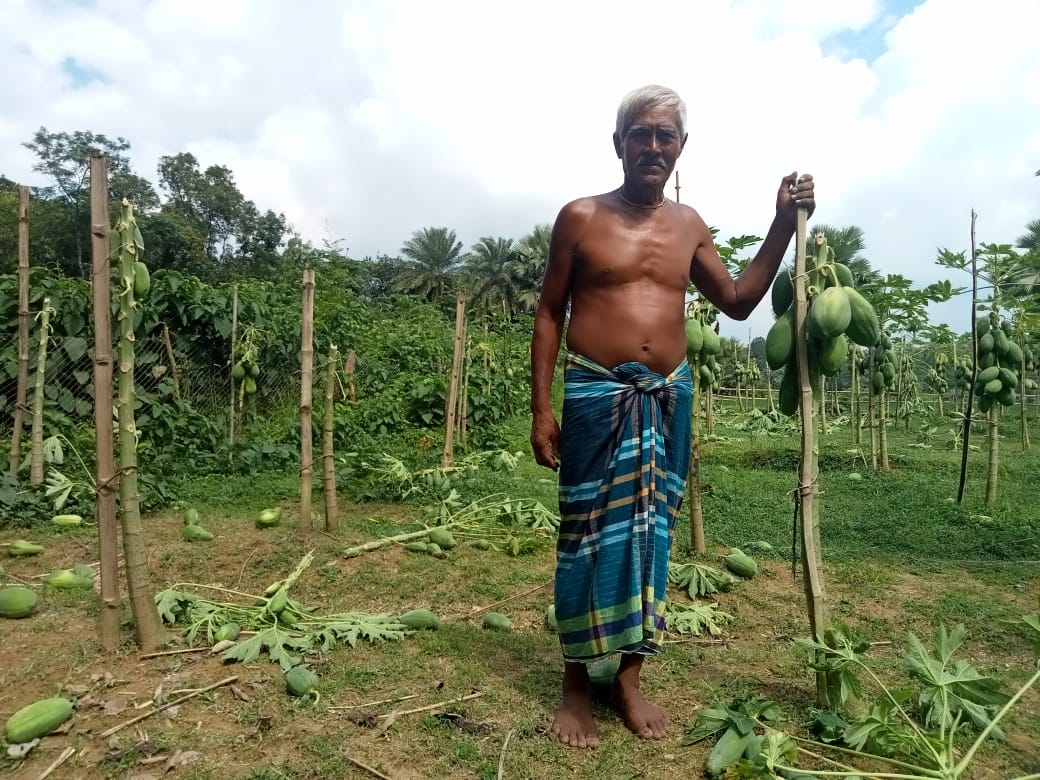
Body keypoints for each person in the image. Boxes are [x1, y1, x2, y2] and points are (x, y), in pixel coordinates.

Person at [529, 84, 815, 749]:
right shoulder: (580, 217)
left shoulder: (688, 225)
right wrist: (542, 409)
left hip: (667, 400)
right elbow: (549, 312)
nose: (653, 145)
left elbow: (740, 300)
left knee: (654, 536)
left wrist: (780, 223)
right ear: (619, 143)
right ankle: (576, 680)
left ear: (681, 147)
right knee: (584, 538)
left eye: (666, 135)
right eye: (641, 133)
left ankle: (628, 678)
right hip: (598, 397)